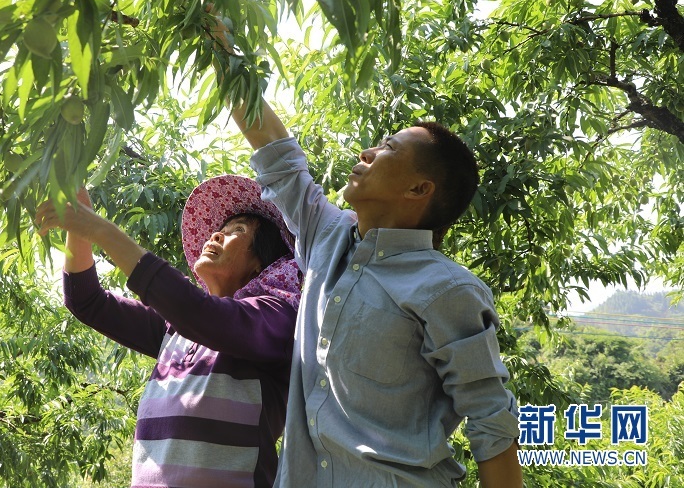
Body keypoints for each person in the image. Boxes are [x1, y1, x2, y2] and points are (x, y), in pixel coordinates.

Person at [226, 98, 523, 487]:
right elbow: (275, 151)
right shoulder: (326, 237)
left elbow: (491, 421)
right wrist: (217, 43)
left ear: (419, 189)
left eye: (389, 149)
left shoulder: (447, 290)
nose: (368, 152)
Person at [35, 175, 303, 488]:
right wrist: (78, 222)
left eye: (236, 232)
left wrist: (100, 229)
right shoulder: (176, 330)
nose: (215, 236)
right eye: (218, 230)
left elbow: (201, 313)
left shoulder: (275, 316)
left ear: (261, 263)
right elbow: (87, 301)